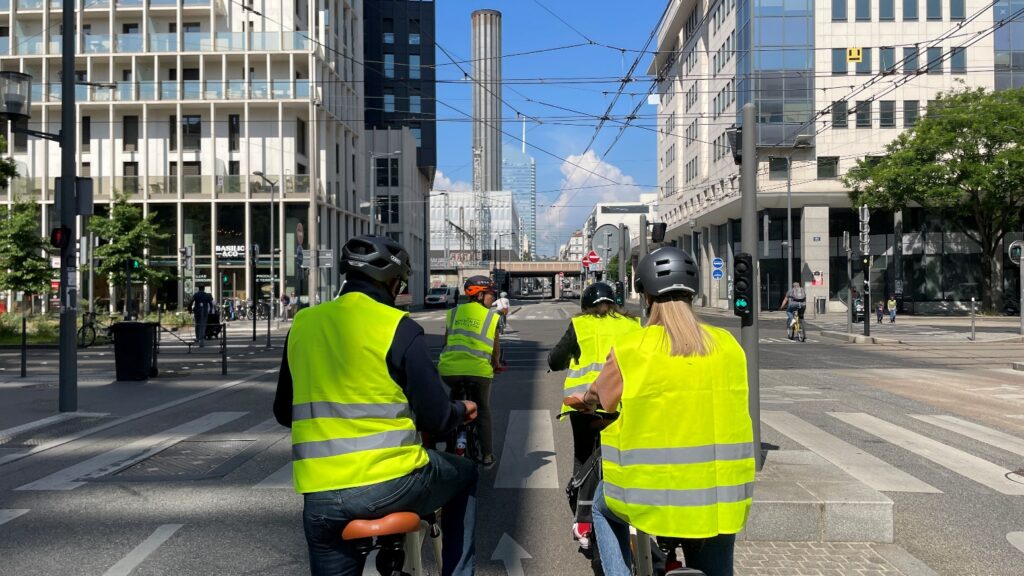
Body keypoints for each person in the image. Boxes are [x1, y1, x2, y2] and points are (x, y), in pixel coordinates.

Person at [273, 235, 478, 576]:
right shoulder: (399, 327)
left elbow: (284, 412)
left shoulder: (303, 325)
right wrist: (462, 409)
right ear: (394, 283)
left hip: (320, 496)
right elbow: (437, 416)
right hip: (392, 483)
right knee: (466, 475)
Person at [568, 246, 755, 576]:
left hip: (648, 496)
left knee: (599, 505)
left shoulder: (633, 349)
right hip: (720, 495)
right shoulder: (728, 345)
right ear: (692, 294)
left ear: (646, 297)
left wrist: (585, 399)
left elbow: (598, 398)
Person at [548, 281, 641, 552]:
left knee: (585, 455)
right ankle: (628, 511)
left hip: (585, 406)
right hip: (621, 405)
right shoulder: (633, 326)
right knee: (623, 456)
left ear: (586, 306)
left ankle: (584, 521)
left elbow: (555, 360)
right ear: (614, 303)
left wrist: (565, 360)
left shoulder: (581, 326)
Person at [438, 275, 502, 467]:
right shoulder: (491, 317)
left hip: (450, 371)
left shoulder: (453, 313)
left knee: (453, 405)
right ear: (480, 294)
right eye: (491, 293)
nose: (493, 297)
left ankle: (449, 446)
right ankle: (488, 455)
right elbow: (495, 351)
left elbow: (446, 342)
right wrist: (496, 364)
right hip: (478, 372)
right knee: (482, 410)